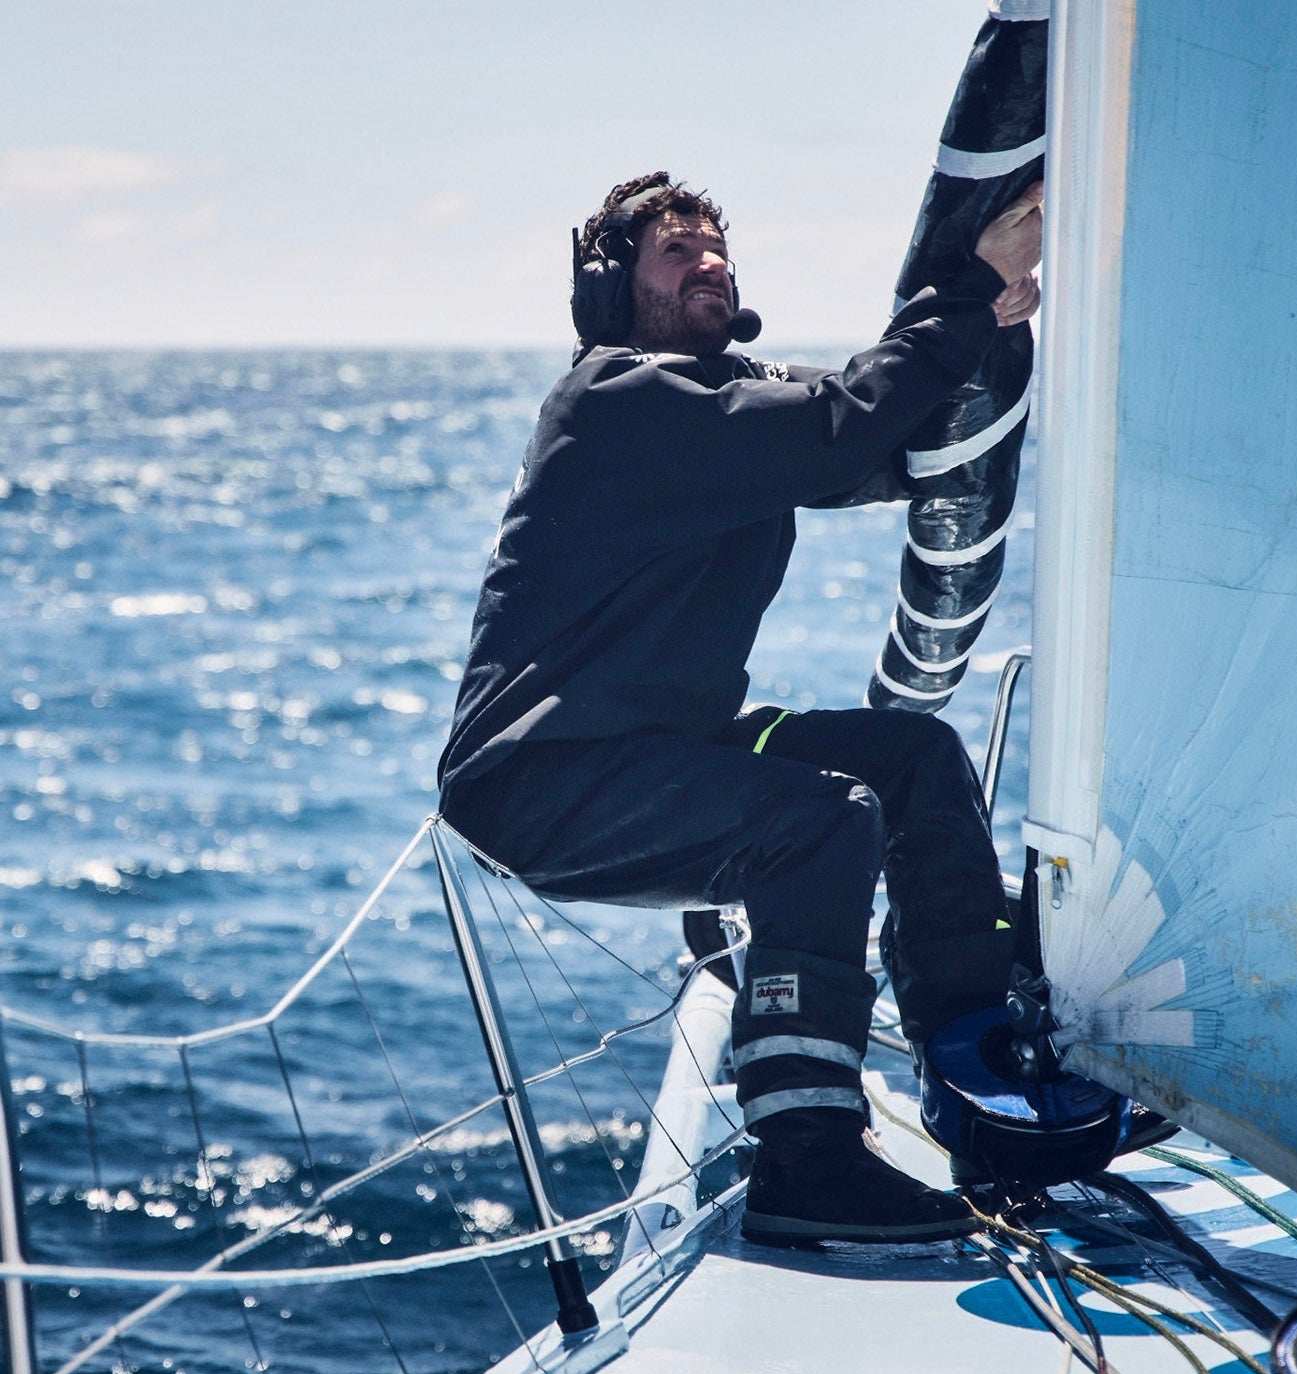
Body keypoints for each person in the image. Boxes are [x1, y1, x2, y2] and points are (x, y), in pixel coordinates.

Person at [437, 170, 1043, 1245]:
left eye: (720, 249)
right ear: (612, 285)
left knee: (909, 758)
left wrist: (990, 321)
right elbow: (835, 427)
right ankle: (806, 1161)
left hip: (656, 744)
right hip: (542, 771)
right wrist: (962, 287)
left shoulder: (724, 404)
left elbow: (885, 436)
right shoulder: (619, 399)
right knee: (820, 820)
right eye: (680, 251)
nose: (711, 262)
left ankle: (980, 1078)